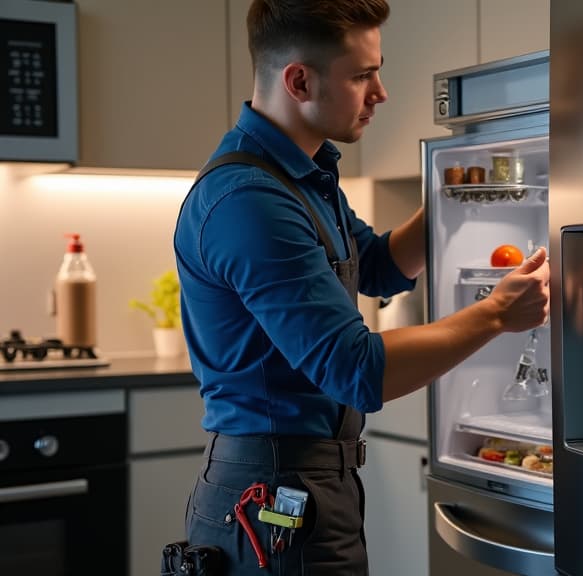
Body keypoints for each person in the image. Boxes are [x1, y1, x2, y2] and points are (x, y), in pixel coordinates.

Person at [171, 1, 550, 574]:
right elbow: (355, 369)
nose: (381, 93)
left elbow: (374, 265)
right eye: (362, 76)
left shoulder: (303, 175)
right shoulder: (250, 200)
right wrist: (496, 314)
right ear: (299, 80)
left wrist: (455, 197)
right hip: (270, 500)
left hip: (311, 484)